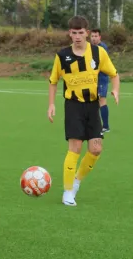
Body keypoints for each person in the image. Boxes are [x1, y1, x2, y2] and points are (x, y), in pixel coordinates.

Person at [47, 16, 120, 206]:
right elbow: (53, 81)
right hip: (73, 105)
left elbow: (114, 74)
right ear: (69, 34)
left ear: (87, 33)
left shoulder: (98, 53)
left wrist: (116, 89)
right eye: (74, 33)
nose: (77, 36)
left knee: (96, 149)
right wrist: (52, 104)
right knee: (76, 147)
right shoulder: (62, 56)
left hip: (92, 105)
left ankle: (77, 181)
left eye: (81, 33)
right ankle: (68, 191)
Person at [90, 29, 111, 132]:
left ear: (100, 37)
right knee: (93, 101)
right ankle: (94, 124)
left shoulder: (102, 48)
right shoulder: (89, 47)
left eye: (95, 36)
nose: (93, 38)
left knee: (102, 100)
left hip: (101, 78)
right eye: (92, 36)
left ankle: (106, 126)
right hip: (92, 79)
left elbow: (100, 64)